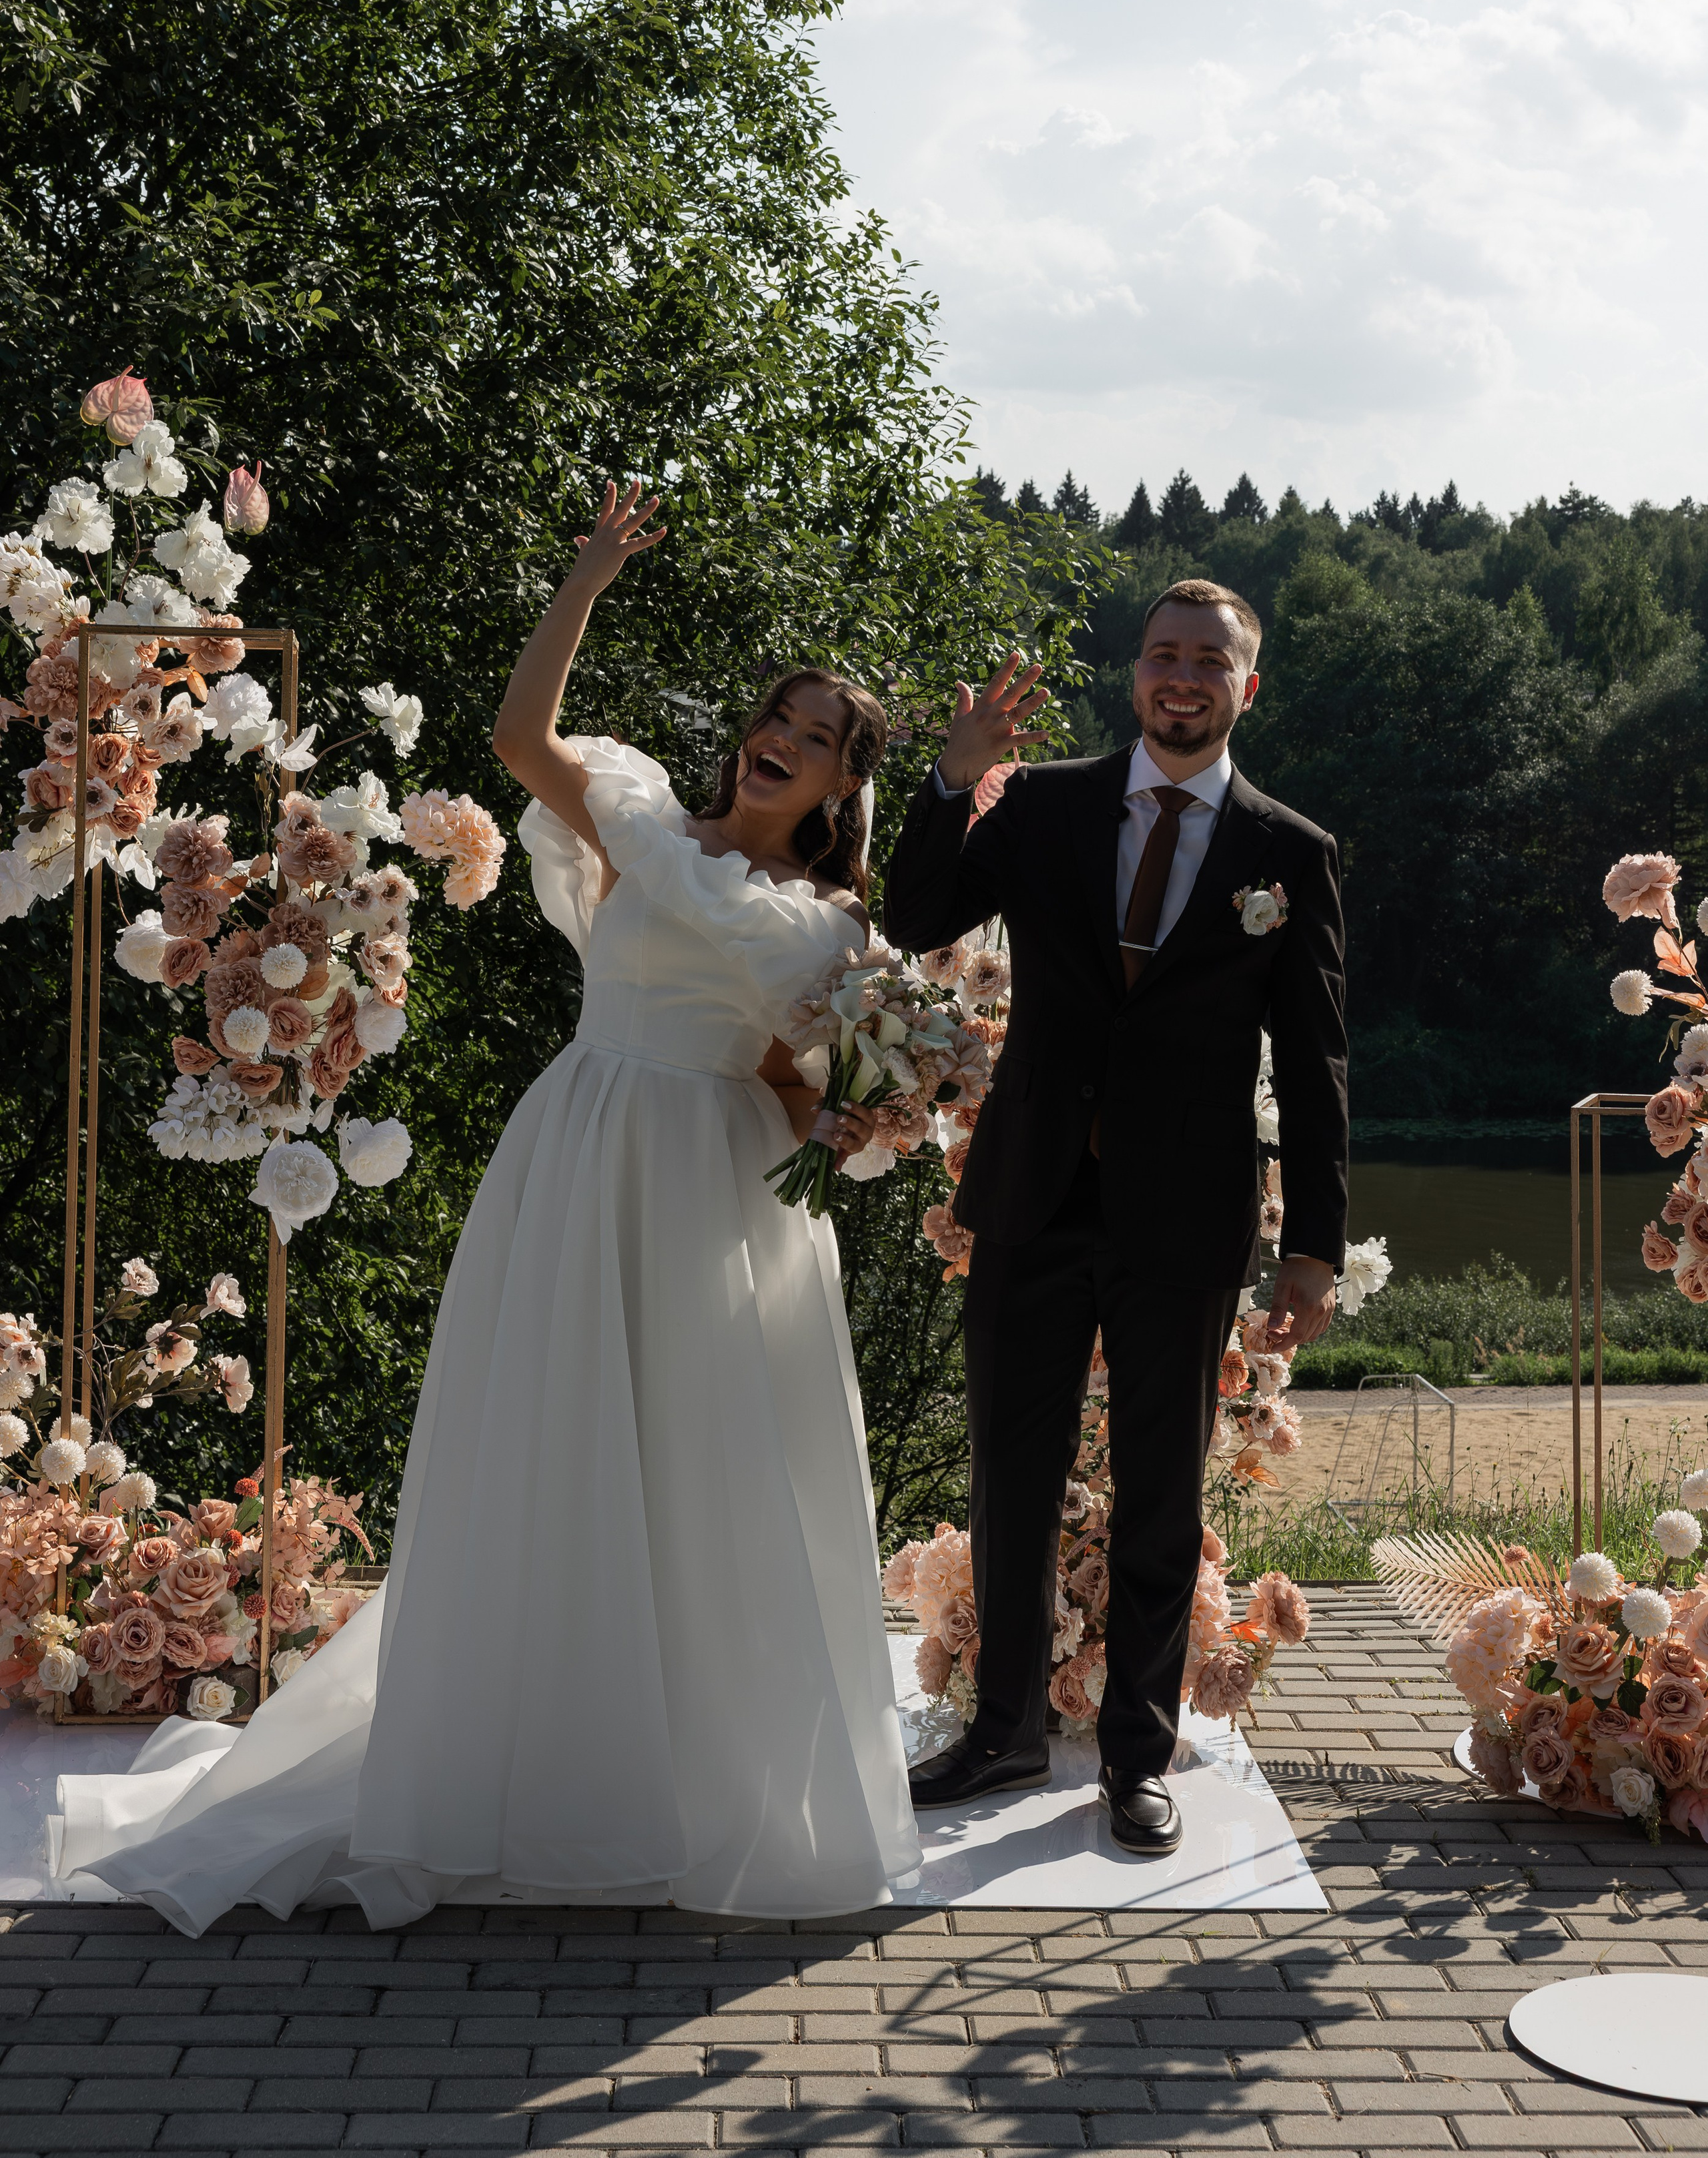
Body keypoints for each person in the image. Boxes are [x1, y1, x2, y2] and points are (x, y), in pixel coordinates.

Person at [57, 480, 919, 1931]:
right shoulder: (642, 817)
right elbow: (521, 737)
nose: (789, 741)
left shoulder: (826, 928)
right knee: (555, 1443)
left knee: (699, 1475)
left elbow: (795, 1089)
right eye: (783, 717)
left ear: (843, 784)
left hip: (710, 1190)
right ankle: (525, 1771)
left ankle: (696, 1790)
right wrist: (583, 574)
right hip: (581, 1147)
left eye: (824, 739)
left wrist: (862, 1120)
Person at [882, 577, 1346, 1855]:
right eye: (1162, 654)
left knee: (1159, 1491)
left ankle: (1137, 1757)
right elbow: (915, 918)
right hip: (1033, 1190)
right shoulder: (1039, 805)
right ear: (1135, 675)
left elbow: (1315, 1067)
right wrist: (949, 779)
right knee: (1012, 1476)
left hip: (1185, 1214)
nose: (1181, 676)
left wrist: (1311, 1242)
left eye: (1209, 658)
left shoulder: (1287, 854)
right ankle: (1004, 1732)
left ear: (1247, 687)